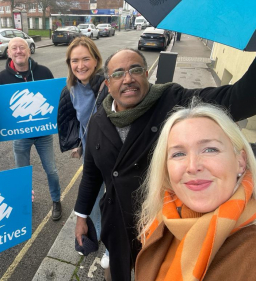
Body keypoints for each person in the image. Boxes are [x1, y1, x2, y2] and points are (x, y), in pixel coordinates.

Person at [74, 48, 256, 281]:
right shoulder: (98, 121)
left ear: (147, 74)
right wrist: (81, 217)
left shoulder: (173, 101)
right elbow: (91, 174)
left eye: (136, 70)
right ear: (108, 84)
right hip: (117, 221)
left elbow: (239, 100)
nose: (128, 78)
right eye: (118, 74)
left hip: (163, 224)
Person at [135, 102, 256, 280]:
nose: (192, 167)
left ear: (240, 161)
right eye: (178, 154)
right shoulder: (161, 220)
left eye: (210, 149)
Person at [56, 36, 110, 271]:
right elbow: (77, 121)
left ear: (96, 59)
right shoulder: (70, 89)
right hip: (90, 153)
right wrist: (78, 144)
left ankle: (112, 245)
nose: (80, 65)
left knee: (114, 200)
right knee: (95, 199)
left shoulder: (107, 85)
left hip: (111, 154)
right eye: (74, 60)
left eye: (85, 59)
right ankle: (98, 236)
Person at [0, 37, 62, 221]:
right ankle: (25, 201)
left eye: (22, 47)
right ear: (9, 53)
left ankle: (56, 200)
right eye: (14, 48)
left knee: (52, 171)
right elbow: (2, 107)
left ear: (29, 51)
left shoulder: (44, 71)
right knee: (21, 174)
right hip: (20, 136)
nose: (18, 51)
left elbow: (53, 99)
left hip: (43, 134)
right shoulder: (2, 77)